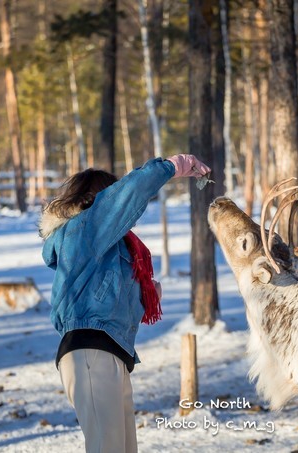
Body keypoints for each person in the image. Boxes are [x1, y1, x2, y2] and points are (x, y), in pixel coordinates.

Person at [38, 155, 211, 453]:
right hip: (90, 353)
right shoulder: (85, 229)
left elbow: (104, 295)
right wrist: (172, 165)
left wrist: (143, 296)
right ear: (99, 200)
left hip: (113, 355)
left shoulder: (99, 245)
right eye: (111, 200)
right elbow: (131, 190)